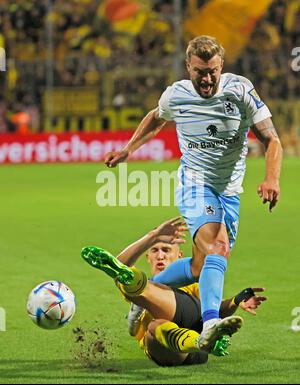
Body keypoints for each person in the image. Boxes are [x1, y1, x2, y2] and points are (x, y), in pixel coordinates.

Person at [103, 36, 282, 348]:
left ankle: (144, 291)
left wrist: (271, 178)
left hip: (229, 192)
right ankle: (210, 324)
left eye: (212, 70)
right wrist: (128, 149)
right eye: (200, 71)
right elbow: (155, 117)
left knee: (201, 266)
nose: (207, 78)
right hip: (195, 184)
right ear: (188, 67)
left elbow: (272, 139)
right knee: (217, 245)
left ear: (221, 66)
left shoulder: (240, 90)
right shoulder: (177, 94)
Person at [81, 217, 267, 366]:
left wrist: (236, 300)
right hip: (166, 350)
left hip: (194, 342)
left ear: (179, 257)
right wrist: (152, 236)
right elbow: (120, 265)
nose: (160, 255)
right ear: (148, 257)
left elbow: (217, 309)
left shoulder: (191, 287)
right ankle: (200, 340)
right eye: (155, 250)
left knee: (133, 288)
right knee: (153, 327)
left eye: (166, 250)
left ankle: (201, 338)